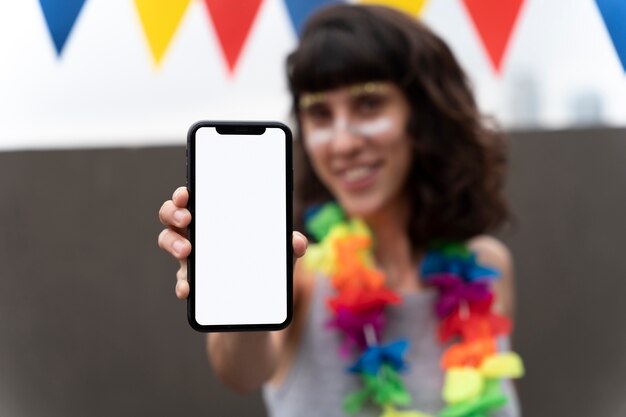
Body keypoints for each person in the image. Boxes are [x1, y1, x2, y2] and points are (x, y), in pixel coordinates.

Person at [158, 4, 521, 417]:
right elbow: (241, 372)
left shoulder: (488, 267)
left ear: (421, 116)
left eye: (368, 105)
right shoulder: (297, 272)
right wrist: (232, 286)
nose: (343, 142)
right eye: (319, 114)